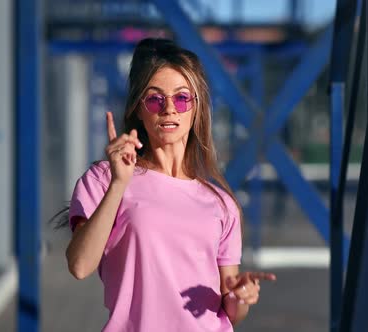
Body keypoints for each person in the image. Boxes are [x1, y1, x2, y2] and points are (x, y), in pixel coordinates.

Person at [64, 38, 276, 332]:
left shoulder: (221, 204)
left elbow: (230, 311)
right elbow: (80, 265)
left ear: (196, 108)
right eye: (154, 99)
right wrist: (118, 184)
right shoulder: (105, 179)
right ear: (138, 108)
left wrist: (241, 296)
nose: (169, 109)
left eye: (181, 98)